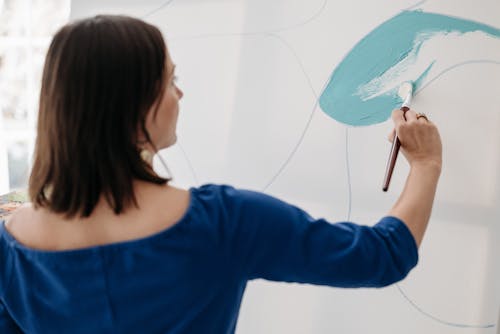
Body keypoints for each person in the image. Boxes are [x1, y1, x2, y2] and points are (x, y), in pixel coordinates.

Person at [0, 15, 442, 333]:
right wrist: (426, 165)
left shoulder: (11, 244)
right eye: (170, 80)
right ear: (133, 108)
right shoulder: (223, 223)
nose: (181, 93)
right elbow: (382, 256)